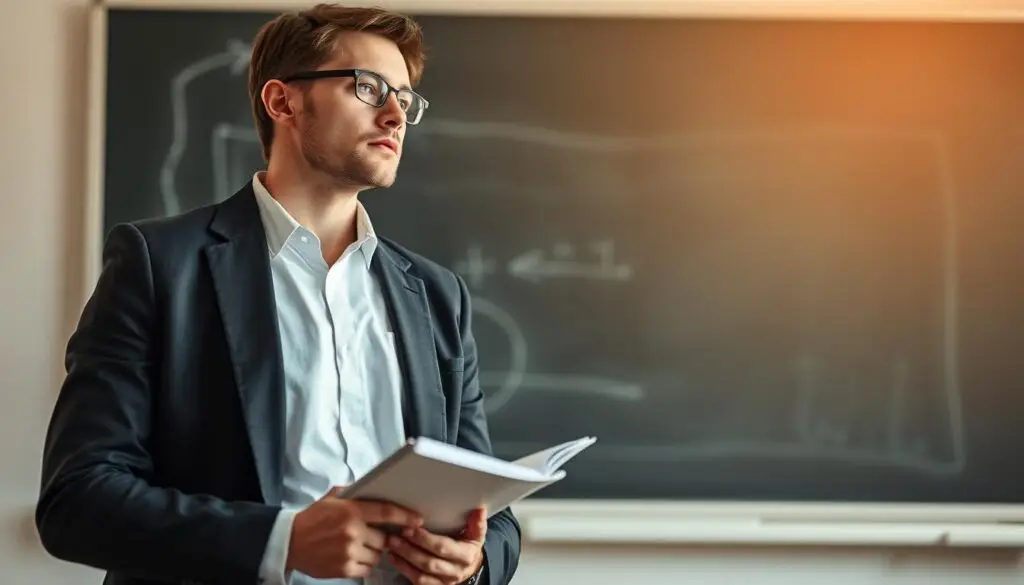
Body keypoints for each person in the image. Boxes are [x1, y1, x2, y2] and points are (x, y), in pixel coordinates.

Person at [34, 4, 521, 585]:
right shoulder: (159, 265)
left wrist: (475, 559)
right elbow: (78, 499)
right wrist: (279, 540)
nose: (395, 114)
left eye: (405, 98)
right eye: (368, 87)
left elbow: (492, 511)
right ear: (282, 101)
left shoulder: (439, 297)